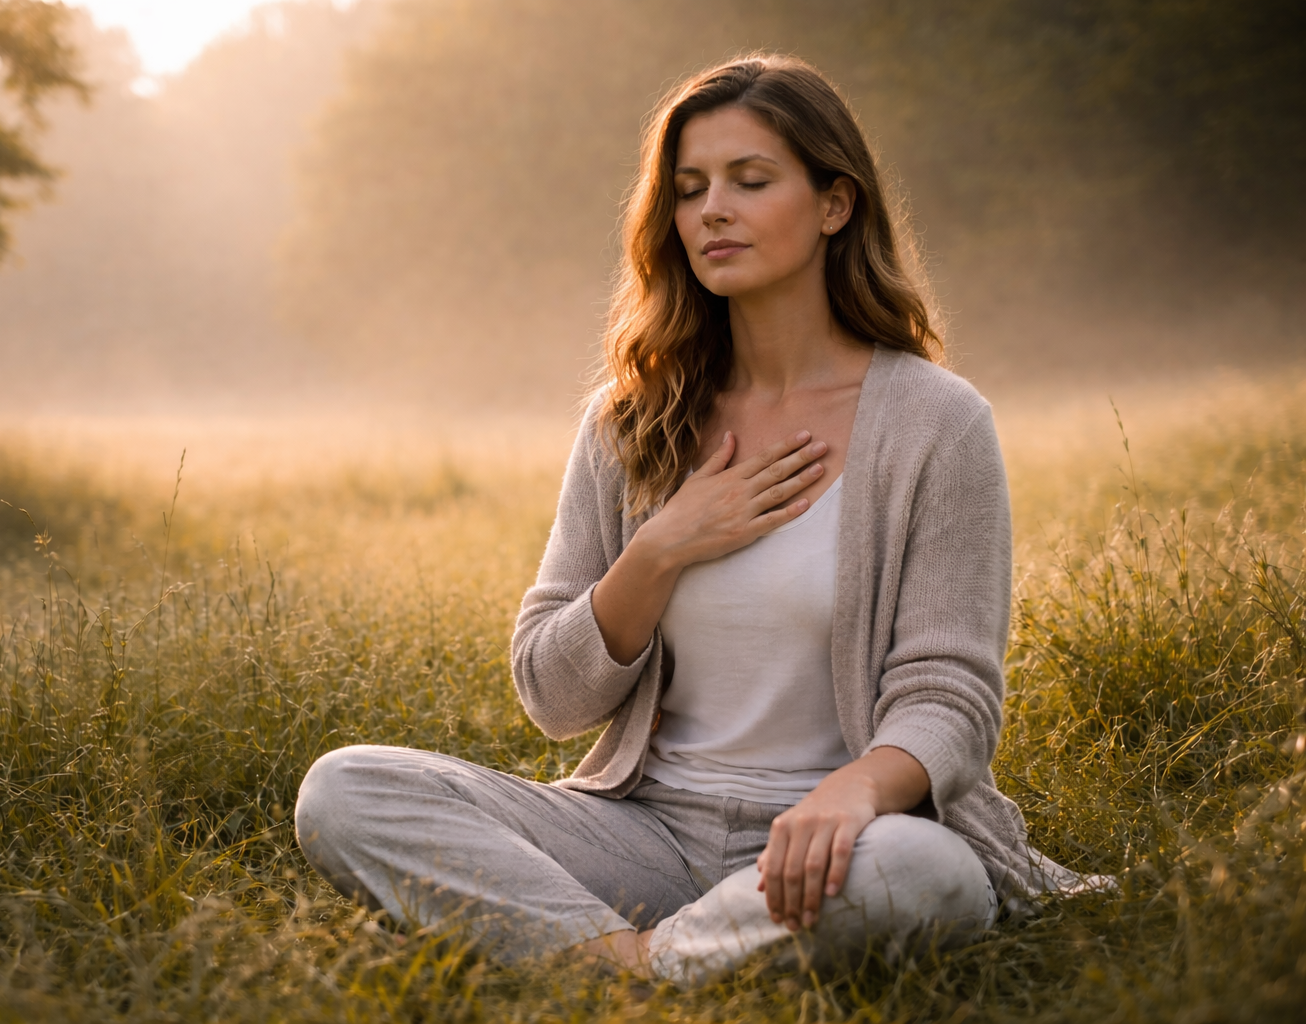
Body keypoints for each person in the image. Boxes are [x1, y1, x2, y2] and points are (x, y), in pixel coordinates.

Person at [294, 54, 1086, 983]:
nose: (713, 209)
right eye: (689, 189)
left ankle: (611, 964)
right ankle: (659, 964)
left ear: (836, 204)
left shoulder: (937, 423)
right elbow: (552, 697)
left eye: (751, 181)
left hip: (839, 837)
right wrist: (665, 545)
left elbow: (950, 692)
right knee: (347, 789)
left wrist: (851, 796)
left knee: (929, 872)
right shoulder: (629, 420)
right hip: (645, 831)